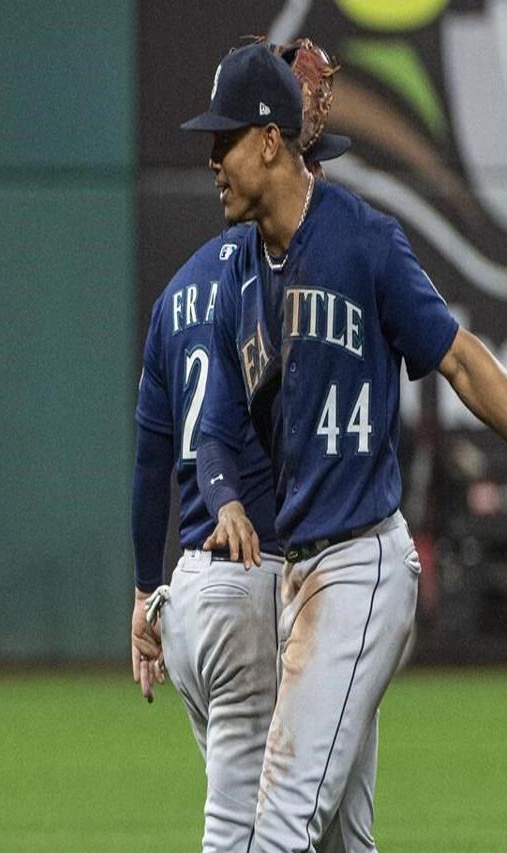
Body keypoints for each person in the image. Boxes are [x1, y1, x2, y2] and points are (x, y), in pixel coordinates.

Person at [180, 42, 507, 852]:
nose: (210, 159)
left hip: (360, 571)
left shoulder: (363, 240)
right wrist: (222, 497)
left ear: (266, 141)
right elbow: (213, 426)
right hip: (296, 579)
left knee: (277, 819)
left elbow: (458, 356)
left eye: (222, 140)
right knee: (340, 840)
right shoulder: (237, 278)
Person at [131, 118, 351, 847]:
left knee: (278, 823)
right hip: (251, 580)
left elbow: (150, 457)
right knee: (248, 830)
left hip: (186, 592)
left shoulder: (177, 291)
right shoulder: (268, 275)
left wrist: (141, 592)